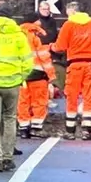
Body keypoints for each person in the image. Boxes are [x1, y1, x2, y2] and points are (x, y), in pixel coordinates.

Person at [0, 7, 33, 172]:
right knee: (10, 119)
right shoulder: (18, 36)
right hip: (12, 84)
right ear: (10, 18)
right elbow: (28, 62)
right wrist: (20, 77)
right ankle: (9, 158)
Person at [51, 0, 91, 140]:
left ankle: (70, 131)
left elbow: (60, 47)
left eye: (68, 13)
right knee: (88, 97)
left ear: (72, 11)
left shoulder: (69, 25)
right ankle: (86, 131)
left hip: (74, 66)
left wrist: (51, 47)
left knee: (72, 97)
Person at [17, 11, 56, 139]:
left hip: (20, 74)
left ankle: (23, 127)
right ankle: (36, 128)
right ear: (35, 21)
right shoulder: (37, 35)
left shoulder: (16, 35)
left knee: (23, 101)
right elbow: (44, 57)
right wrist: (51, 76)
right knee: (39, 101)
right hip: (38, 74)